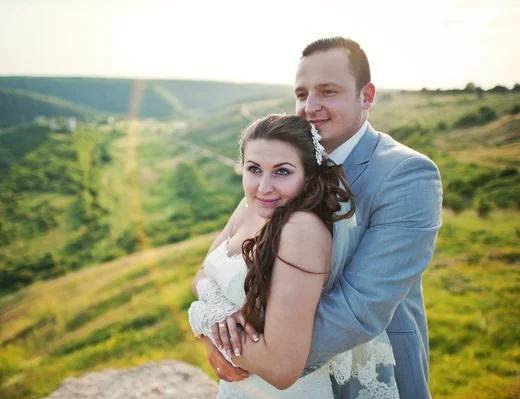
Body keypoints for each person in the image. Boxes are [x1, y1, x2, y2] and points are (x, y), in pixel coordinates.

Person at [195, 37, 442, 399]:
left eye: (328, 91)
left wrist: (253, 355)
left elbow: (359, 308)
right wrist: (218, 326)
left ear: (367, 95)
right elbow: (219, 264)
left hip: (364, 375)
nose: (310, 107)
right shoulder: (285, 164)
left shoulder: (407, 174)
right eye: (301, 93)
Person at [189, 114, 400, 397]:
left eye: (282, 171)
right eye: (254, 169)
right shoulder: (249, 206)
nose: (263, 187)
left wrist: (205, 319)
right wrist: (217, 311)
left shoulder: (301, 230)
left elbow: (281, 368)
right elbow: (202, 272)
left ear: (308, 175)